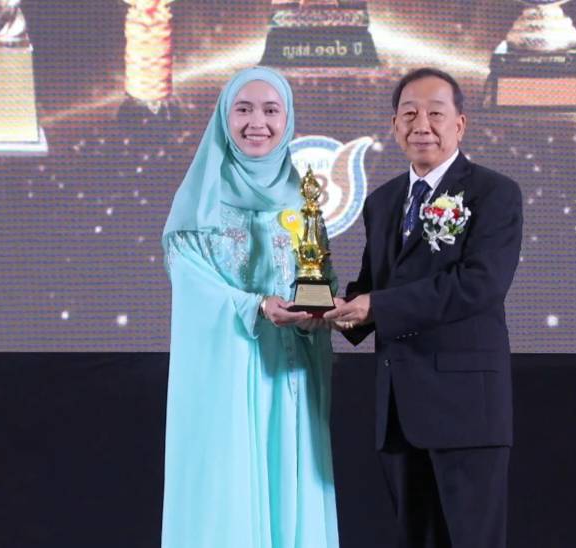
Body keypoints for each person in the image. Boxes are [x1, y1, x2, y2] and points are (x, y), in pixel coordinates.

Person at [325, 67, 523, 548]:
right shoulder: (383, 201)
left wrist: (376, 306)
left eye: (436, 113)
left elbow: (480, 285)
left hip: (466, 410)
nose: (422, 125)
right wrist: (330, 310)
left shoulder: (493, 192)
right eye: (409, 114)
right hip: (399, 411)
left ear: (460, 124)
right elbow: (375, 285)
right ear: (394, 125)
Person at [160, 67, 338, 548]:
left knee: (288, 482)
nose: (257, 122)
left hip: (289, 376)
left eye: (271, 110)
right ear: (224, 118)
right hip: (226, 378)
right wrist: (257, 305)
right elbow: (193, 289)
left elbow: (319, 282)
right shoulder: (199, 201)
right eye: (243, 109)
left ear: (288, 119)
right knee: (229, 488)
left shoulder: (303, 204)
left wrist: (315, 317)